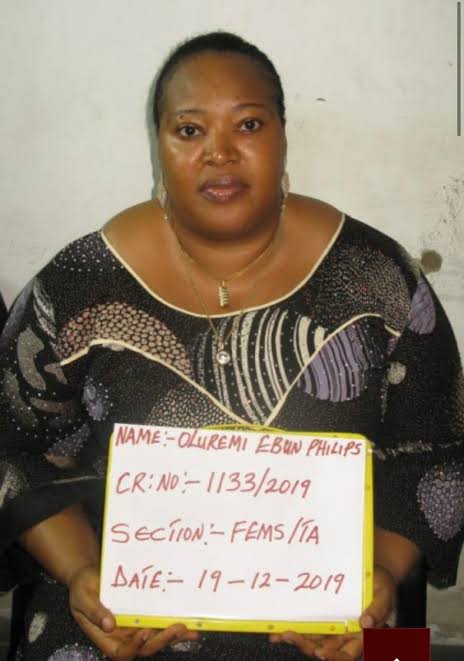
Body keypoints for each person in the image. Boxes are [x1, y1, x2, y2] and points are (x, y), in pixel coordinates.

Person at [0, 31, 463, 661]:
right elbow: (12, 449)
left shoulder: (379, 276)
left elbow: (442, 450)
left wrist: (378, 585)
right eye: (189, 130)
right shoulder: (77, 284)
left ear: (283, 136)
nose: (219, 153)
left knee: (403, 655)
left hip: (344, 616)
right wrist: (83, 574)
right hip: (114, 609)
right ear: (159, 144)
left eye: (248, 124)